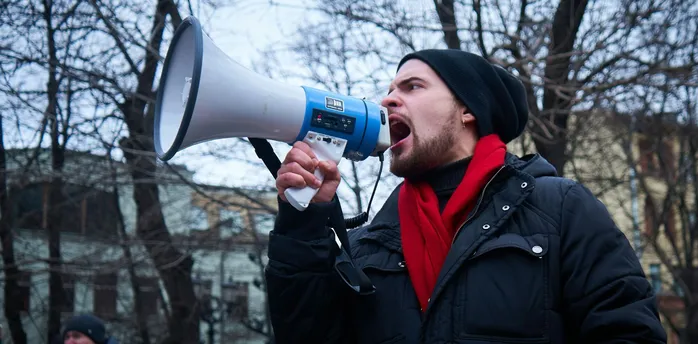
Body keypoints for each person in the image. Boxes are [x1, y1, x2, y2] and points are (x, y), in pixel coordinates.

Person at [265, 49, 667, 343]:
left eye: (412, 86)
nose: (386, 101)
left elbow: (627, 332)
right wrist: (303, 223)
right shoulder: (368, 244)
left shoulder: (560, 208)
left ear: (468, 110)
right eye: (388, 89)